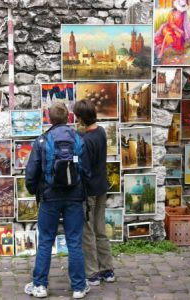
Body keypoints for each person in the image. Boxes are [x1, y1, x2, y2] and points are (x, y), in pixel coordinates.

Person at [24, 103, 90, 299]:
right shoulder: (78, 140)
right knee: (74, 242)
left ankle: (40, 286)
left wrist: (33, 189)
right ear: (68, 117)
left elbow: (32, 171)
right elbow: (86, 171)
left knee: (45, 241)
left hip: (50, 196)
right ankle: (78, 287)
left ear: (49, 118)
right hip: (74, 197)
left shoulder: (43, 141)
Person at [73, 100, 115, 286]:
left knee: (87, 232)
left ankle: (92, 273)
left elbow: (85, 170)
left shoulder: (85, 140)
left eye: (77, 117)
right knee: (100, 229)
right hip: (102, 187)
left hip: (89, 190)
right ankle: (107, 269)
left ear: (81, 118)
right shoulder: (101, 132)